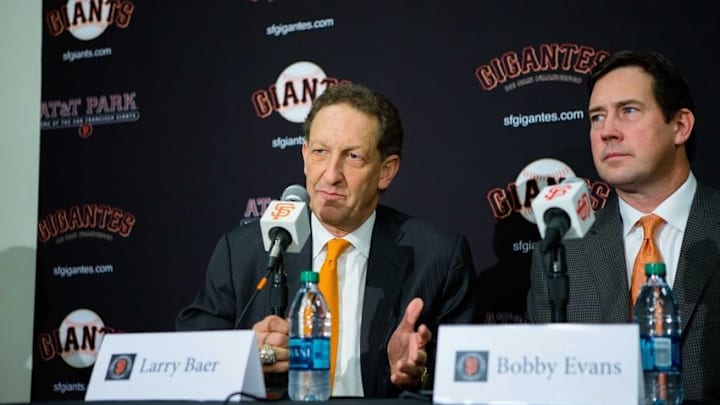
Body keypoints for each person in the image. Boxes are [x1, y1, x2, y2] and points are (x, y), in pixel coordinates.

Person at [177, 82, 477, 398]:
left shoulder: (438, 257)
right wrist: (248, 359)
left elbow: (470, 378)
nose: (331, 174)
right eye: (320, 152)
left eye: (353, 156)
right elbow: (188, 360)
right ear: (305, 156)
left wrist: (417, 373)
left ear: (386, 171)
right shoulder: (242, 253)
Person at [527, 49, 720, 401]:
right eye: (597, 117)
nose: (607, 132)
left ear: (680, 126)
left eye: (628, 111)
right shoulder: (561, 252)